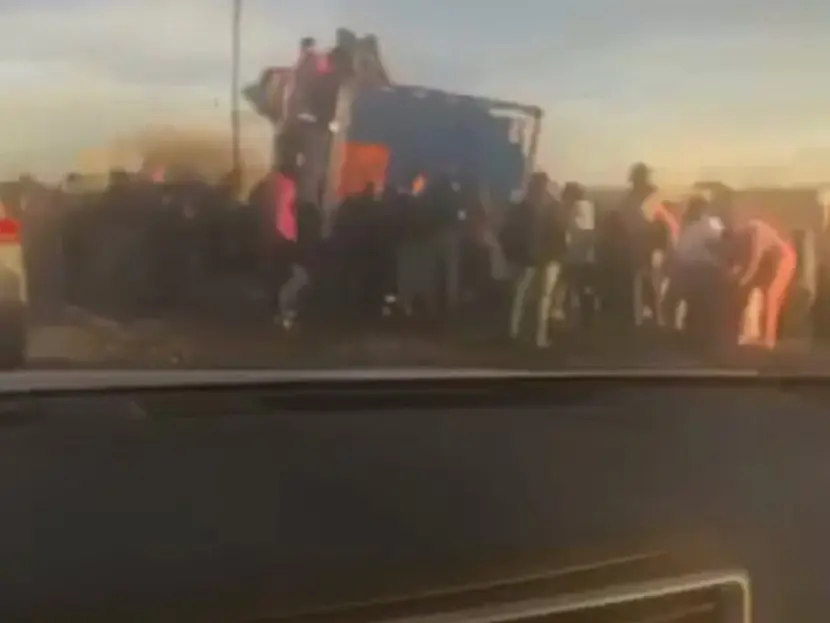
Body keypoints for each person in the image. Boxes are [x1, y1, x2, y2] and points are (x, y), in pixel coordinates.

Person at [505, 172, 568, 348]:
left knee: (531, 299)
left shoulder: (527, 209)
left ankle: (526, 336)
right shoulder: (533, 210)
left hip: (537, 260)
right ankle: (528, 337)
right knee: (532, 299)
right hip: (532, 259)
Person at [732, 217, 796, 350]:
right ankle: (761, 335)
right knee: (764, 294)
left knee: (772, 297)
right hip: (773, 262)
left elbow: (754, 261)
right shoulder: (748, 233)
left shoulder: (756, 233)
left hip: (785, 259)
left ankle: (769, 339)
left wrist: (743, 280)